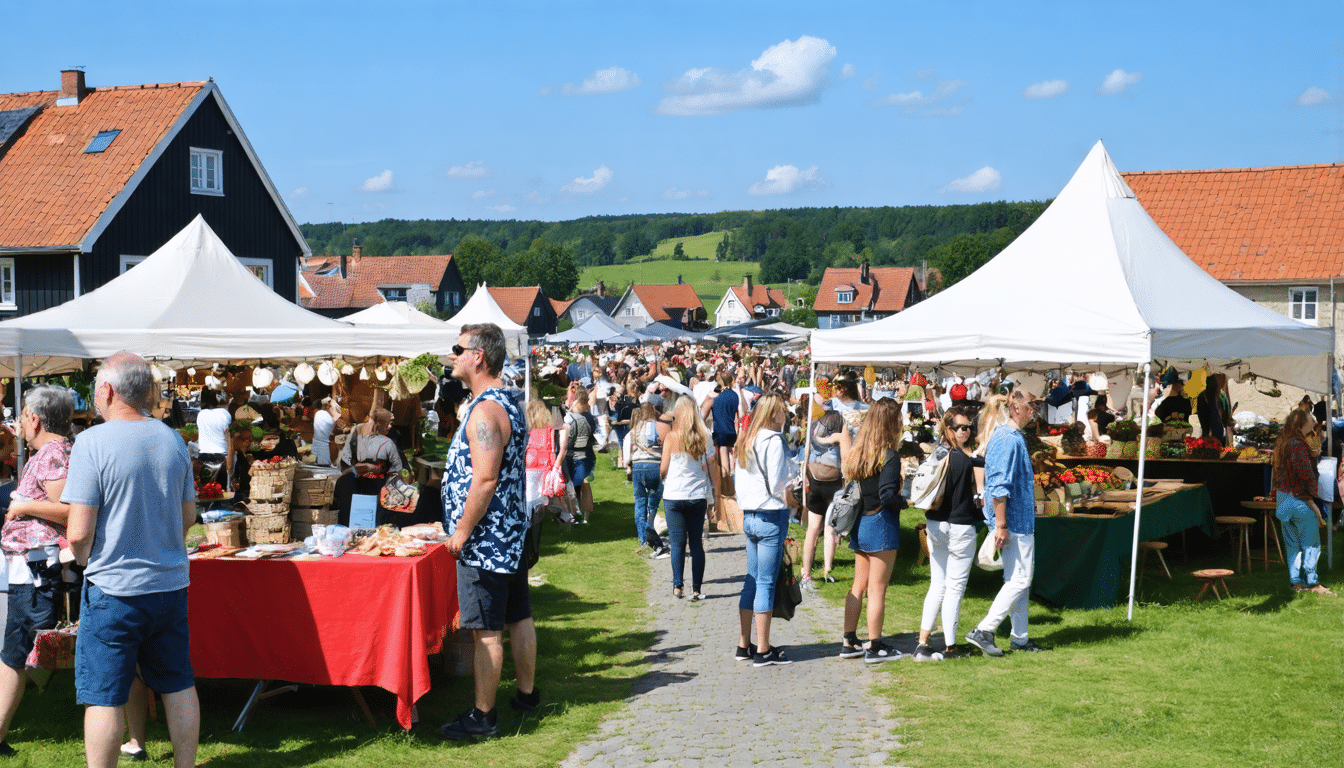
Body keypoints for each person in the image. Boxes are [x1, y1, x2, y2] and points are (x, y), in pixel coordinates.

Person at [63, 352, 199, 768]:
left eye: (95, 388)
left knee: (103, 695)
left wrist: (84, 561)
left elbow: (79, 531)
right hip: (169, 586)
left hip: (114, 589)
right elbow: (188, 517)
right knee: (178, 684)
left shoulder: (91, 442)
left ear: (106, 389)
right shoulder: (172, 438)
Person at [440, 324, 538, 739]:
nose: (452, 356)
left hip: (487, 541)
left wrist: (462, 530)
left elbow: (484, 479)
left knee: (486, 631)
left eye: (457, 349)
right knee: (519, 615)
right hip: (509, 534)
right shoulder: (505, 402)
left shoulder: (485, 410)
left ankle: (484, 716)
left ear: (478, 355)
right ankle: (527, 695)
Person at [0, 385, 77, 757]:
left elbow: (66, 508)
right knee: (14, 651)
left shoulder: (52, 453)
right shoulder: (54, 448)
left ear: (35, 418)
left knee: (16, 651)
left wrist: (23, 505)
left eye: (25, 414)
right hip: (33, 563)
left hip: (36, 565)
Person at [965, 390, 1049, 656]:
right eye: (1030, 406)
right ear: (1015, 408)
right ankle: (984, 630)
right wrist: (1000, 524)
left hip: (1016, 520)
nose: (1033, 411)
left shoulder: (1009, 437)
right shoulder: (1007, 439)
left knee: (1019, 580)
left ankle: (1020, 638)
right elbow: (998, 486)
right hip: (1014, 522)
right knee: (1021, 580)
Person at [837, 398, 906, 664]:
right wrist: (905, 501)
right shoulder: (889, 455)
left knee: (859, 585)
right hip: (880, 523)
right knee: (877, 589)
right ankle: (876, 646)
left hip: (860, 523)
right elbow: (888, 495)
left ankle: (849, 639)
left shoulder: (859, 451)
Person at [914, 406, 983, 661]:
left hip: (935, 523)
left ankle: (922, 643)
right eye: (961, 427)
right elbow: (978, 494)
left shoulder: (936, 455)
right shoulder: (965, 460)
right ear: (949, 430)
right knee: (954, 587)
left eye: (968, 427)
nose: (966, 431)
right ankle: (951, 647)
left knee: (937, 585)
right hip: (959, 525)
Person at [734, 393, 797, 667]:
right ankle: (763, 649)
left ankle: (744, 643)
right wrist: (794, 500)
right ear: (775, 414)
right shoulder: (772, 440)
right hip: (769, 514)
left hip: (749, 514)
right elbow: (778, 483)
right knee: (765, 582)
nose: (787, 416)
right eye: (783, 411)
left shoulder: (748, 438)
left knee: (753, 577)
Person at [659, 396, 720, 599]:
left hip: (674, 495)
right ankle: (696, 587)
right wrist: (716, 498)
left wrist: (663, 476)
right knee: (696, 544)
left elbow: (664, 468)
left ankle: (678, 585)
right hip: (696, 494)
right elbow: (713, 468)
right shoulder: (705, 437)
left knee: (677, 543)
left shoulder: (671, 438)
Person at [1272, 409, 1335, 595]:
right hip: (1298, 499)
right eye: (1311, 418)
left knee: (1292, 545)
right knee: (1311, 544)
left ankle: (1296, 583)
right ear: (1301, 422)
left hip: (1283, 499)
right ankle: (1312, 583)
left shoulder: (1283, 444)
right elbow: (1305, 473)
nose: (1314, 421)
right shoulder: (1297, 445)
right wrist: (1314, 496)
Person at [801, 411, 848, 589]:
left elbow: (806, 451)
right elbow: (845, 458)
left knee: (812, 529)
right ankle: (827, 570)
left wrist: (805, 475)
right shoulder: (840, 434)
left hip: (815, 480)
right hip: (835, 483)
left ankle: (806, 572)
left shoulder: (813, 431)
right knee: (830, 529)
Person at [524, 400, 575, 524]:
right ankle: (557, 516)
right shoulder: (551, 429)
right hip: (546, 465)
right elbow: (563, 445)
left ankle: (529, 522)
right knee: (542, 496)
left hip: (529, 464)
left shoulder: (527, 428)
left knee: (529, 497)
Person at [628, 403, 668, 555]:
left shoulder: (635, 429)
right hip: (655, 464)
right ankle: (651, 523)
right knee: (655, 497)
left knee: (639, 501)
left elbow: (628, 448)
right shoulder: (659, 427)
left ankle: (643, 539)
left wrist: (628, 465)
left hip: (638, 465)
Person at [558, 391, 597, 523]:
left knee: (571, 487)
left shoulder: (571, 418)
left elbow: (566, 439)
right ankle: (586, 517)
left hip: (573, 454)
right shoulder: (588, 417)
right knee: (585, 486)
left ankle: (573, 515)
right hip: (586, 454)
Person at [336, 408, 404, 476]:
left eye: (390, 423)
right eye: (387, 423)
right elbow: (347, 466)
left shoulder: (389, 442)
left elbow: (397, 468)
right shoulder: (357, 437)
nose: (390, 426)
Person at [709, 370, 739, 493]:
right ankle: (733, 480)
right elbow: (739, 415)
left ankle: (726, 484)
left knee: (723, 456)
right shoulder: (734, 395)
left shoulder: (717, 397)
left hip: (719, 429)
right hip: (731, 429)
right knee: (731, 456)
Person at [194, 389, 231, 467]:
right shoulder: (224, 413)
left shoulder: (200, 414)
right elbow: (228, 435)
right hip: (222, 455)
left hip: (203, 456)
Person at [311, 396, 339, 466]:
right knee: (324, 465)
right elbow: (333, 423)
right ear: (327, 406)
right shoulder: (322, 414)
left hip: (320, 445)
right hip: (323, 446)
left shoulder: (319, 414)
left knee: (321, 463)